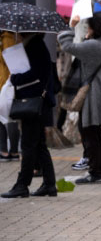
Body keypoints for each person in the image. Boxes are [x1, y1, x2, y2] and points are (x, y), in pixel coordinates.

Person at [60, 13, 101, 184]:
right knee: (94, 133)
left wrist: (71, 25)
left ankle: (96, 171)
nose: (87, 29)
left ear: (95, 28)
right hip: (99, 92)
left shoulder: (94, 45)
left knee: (89, 133)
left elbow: (66, 45)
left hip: (92, 94)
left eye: (89, 26)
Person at [1, 33, 57, 198]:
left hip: (33, 102)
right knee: (39, 144)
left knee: (28, 145)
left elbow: (36, 74)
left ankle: (22, 185)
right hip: (38, 102)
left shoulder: (35, 47)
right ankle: (49, 184)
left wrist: (15, 78)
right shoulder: (37, 45)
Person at [0, 31, 20, 162]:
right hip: (5, 81)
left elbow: (8, 59)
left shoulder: (7, 38)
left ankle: (6, 151)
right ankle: (11, 151)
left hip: (5, 82)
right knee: (10, 117)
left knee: (7, 118)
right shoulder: (8, 37)